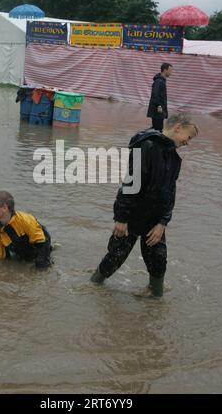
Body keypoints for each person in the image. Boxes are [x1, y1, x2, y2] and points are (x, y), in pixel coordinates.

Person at [90, 113, 198, 297]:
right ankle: (93, 286)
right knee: (115, 257)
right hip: (132, 216)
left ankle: (156, 298)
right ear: (178, 127)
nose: (188, 142)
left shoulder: (174, 158)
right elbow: (131, 183)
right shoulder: (146, 145)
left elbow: (170, 193)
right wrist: (122, 218)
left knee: (158, 260)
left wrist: (163, 222)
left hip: (155, 221)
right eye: (189, 136)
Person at [0, 191, 53, 268]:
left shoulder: (25, 220)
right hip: (18, 246)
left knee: (42, 263)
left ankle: (52, 248)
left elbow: (42, 242)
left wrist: (42, 265)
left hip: (40, 242)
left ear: (4, 208)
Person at [147, 62, 173, 132]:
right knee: (158, 129)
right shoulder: (159, 81)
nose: (171, 73)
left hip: (159, 109)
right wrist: (159, 106)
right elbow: (155, 94)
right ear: (165, 70)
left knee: (156, 129)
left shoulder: (161, 81)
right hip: (158, 110)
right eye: (170, 70)